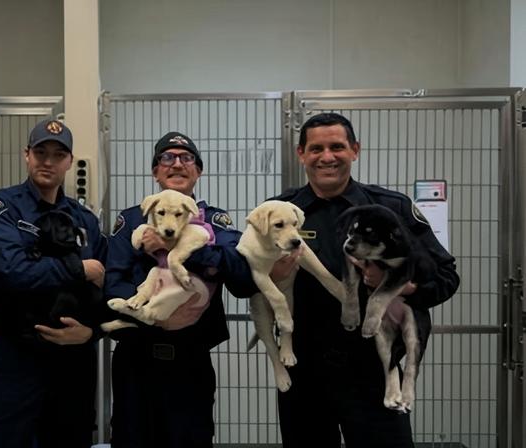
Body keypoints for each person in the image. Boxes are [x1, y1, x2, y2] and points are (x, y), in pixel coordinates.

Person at [271, 113, 460, 447]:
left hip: (374, 371)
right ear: (301, 154)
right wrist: (271, 275)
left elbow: (446, 275)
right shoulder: (281, 212)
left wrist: (402, 286)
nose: (326, 156)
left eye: (337, 147)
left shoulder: (391, 208)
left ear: (355, 150)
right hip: (305, 373)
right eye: (316, 148)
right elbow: (247, 277)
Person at [104, 131, 255, 448]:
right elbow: (113, 284)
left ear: (198, 171)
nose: (176, 164)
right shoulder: (132, 220)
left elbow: (243, 278)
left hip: (190, 361)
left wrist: (184, 248)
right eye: (166, 158)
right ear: (155, 172)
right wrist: (155, 312)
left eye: (186, 158)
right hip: (135, 361)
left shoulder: (215, 222)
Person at [0, 118, 108, 448]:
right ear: (26, 155)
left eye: (58, 155)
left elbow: (108, 284)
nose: (48, 161)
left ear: (69, 162)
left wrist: (94, 332)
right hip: (17, 354)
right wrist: (79, 269)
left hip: (74, 359)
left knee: (70, 439)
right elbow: (12, 271)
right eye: (40, 152)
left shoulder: (85, 219)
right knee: (3, 438)